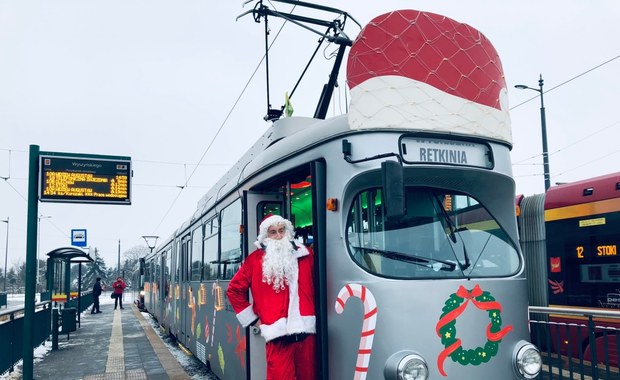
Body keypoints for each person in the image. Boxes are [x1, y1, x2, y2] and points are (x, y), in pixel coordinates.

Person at [227, 214, 316, 380]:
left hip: (306, 336)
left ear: (288, 231)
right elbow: (233, 290)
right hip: (278, 339)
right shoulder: (254, 261)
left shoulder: (307, 255)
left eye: (282, 230)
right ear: (266, 237)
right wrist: (254, 319)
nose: (279, 236)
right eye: (273, 232)